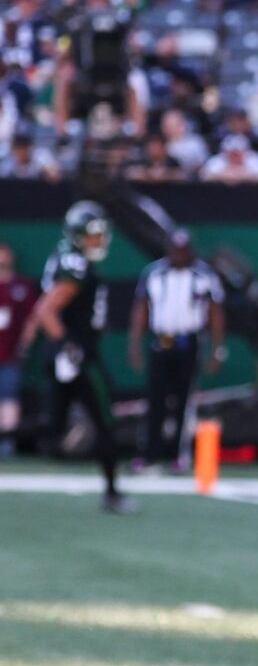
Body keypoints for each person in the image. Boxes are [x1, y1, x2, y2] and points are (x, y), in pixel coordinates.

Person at [20, 202, 135, 512]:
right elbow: (46, 310)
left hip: (62, 352)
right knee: (104, 420)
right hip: (78, 353)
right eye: (94, 235)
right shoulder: (76, 266)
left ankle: (111, 490)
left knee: (54, 426)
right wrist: (70, 347)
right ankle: (112, 493)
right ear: (78, 235)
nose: (99, 241)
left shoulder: (65, 256)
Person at [128, 229, 226, 473]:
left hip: (188, 341)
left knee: (184, 401)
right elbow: (141, 310)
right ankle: (149, 455)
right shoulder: (154, 273)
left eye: (183, 250)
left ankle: (179, 455)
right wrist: (135, 345)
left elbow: (215, 313)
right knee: (155, 400)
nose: (179, 255)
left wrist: (217, 349)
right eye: (174, 249)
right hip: (161, 341)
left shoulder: (203, 275)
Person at [0, 242, 37, 458]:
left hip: (10, 354)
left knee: (8, 398)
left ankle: (7, 445)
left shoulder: (20, 286)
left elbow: (33, 318)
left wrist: (24, 344)